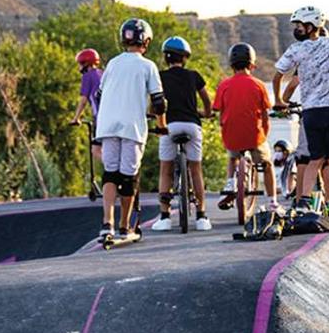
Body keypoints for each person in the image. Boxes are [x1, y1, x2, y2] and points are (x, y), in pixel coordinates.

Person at [272, 6, 329, 222]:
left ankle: (303, 202)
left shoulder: (295, 50)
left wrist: (279, 100)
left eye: (300, 25)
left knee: (315, 158)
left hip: (310, 112)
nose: (297, 29)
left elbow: (277, 76)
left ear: (311, 26)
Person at [94, 19, 166, 238]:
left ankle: (107, 223)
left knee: (110, 174)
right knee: (128, 177)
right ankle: (125, 226)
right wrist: (161, 125)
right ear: (146, 40)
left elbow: (99, 95)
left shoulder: (113, 64)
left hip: (107, 126)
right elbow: (159, 101)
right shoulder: (148, 66)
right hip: (131, 127)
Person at [152, 36, 214, 232]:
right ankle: (202, 216)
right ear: (185, 57)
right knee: (196, 169)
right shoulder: (194, 76)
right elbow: (207, 100)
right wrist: (206, 113)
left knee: (166, 169)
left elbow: (155, 103)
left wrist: (151, 114)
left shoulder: (160, 77)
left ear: (165, 58)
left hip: (169, 126)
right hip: (192, 126)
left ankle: (164, 216)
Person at [213, 43, 281, 213]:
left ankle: (230, 182)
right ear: (252, 65)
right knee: (267, 165)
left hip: (232, 136)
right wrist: (264, 134)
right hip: (254, 136)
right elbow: (265, 114)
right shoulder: (259, 85)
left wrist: (225, 127)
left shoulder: (224, 85)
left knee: (232, 156)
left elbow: (219, 112)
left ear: (231, 65)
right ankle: (272, 202)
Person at [70, 48, 103, 186]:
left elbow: (84, 100)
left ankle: (114, 171)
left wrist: (76, 118)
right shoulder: (102, 73)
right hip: (112, 116)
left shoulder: (87, 77)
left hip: (100, 118)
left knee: (96, 151)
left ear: (86, 63)